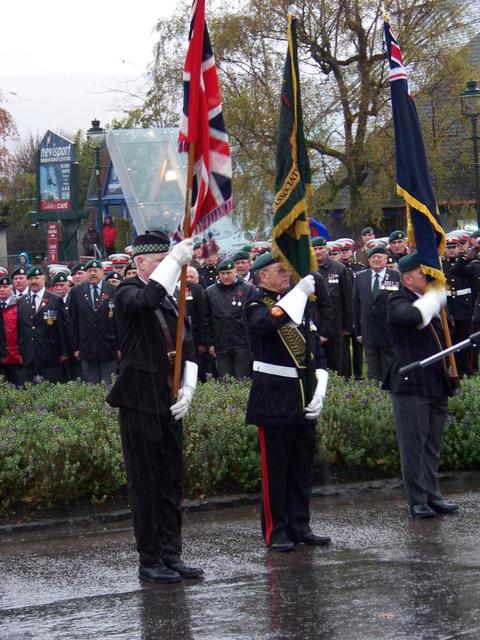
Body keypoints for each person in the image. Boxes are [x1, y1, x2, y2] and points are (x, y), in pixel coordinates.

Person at [106, 232, 203, 583]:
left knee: (169, 482)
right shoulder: (126, 291)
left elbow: (187, 344)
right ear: (140, 263)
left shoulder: (171, 299)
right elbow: (144, 302)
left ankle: (170, 553)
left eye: (169, 258)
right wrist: (175, 260)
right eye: (160, 260)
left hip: (168, 400)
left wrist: (189, 386)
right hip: (139, 402)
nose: (168, 265)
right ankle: (149, 559)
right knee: (145, 485)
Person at [245, 252, 331, 551]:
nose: (286, 275)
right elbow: (266, 324)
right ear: (262, 276)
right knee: (276, 470)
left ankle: (300, 524)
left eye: (287, 270)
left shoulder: (300, 305)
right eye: (279, 271)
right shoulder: (255, 303)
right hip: (273, 397)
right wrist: (298, 294)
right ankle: (276, 529)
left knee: (301, 467)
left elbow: (315, 351)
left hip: (303, 396)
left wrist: (321, 388)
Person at [383, 254, 458, 517]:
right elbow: (414, 317)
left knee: (431, 444)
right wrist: (436, 295)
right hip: (411, 383)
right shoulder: (397, 301)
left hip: (436, 382)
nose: (428, 278)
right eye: (423, 274)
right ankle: (417, 500)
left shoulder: (430, 302)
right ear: (407, 278)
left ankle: (432, 494)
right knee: (413, 445)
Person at [353, 246, 400, 382]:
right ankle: (374, 398)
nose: (376, 259)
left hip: (389, 331)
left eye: (380, 256)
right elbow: (356, 305)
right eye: (373, 257)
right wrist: (358, 331)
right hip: (368, 331)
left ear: (386, 259)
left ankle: (389, 397)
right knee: (372, 372)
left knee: (389, 368)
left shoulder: (395, 276)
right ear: (368, 260)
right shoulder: (361, 277)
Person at [69, 259, 119, 384]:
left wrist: (120, 346)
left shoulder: (113, 290)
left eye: (95, 270)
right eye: (89, 271)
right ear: (85, 273)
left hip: (109, 346)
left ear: (102, 272)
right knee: (91, 387)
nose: (92, 273)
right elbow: (73, 321)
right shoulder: (76, 292)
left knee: (109, 385)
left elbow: (118, 321)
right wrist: (75, 347)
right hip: (87, 347)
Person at [205, 258, 256, 379]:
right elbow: (206, 319)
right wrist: (210, 343)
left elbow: (253, 317)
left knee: (242, 379)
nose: (225, 276)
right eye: (222, 273)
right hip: (220, 343)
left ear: (235, 272)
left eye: (228, 273)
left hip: (242, 343)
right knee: (226, 381)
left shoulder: (248, 289)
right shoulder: (210, 292)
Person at [16, 266, 69, 383]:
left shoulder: (55, 300)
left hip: (50, 355)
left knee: (51, 391)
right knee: (30, 393)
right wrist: (19, 352)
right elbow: (19, 329)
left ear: (44, 279)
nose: (34, 281)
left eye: (36, 278)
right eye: (30, 278)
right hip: (29, 356)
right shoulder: (21, 301)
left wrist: (64, 352)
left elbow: (62, 328)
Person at [0, 274, 23, 387]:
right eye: (0, 287)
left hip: (17, 357)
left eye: (5, 287)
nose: (2, 289)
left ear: (11, 288)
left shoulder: (20, 304)